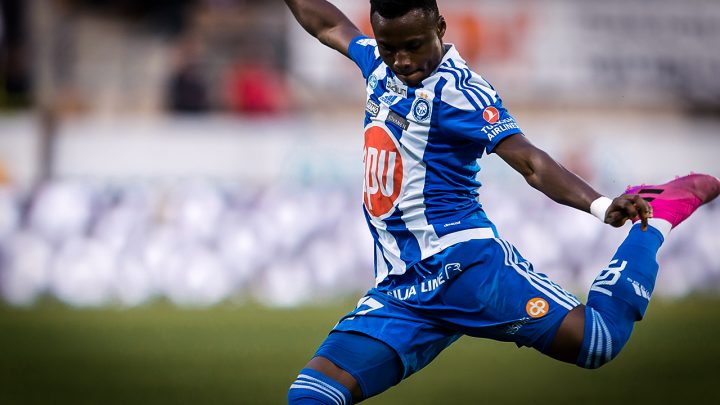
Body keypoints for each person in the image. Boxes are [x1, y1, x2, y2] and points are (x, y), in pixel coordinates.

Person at [283, 1, 720, 403]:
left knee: (597, 341)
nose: (402, 62)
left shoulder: (462, 92)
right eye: (389, 47)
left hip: (467, 267)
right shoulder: (380, 64)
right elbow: (325, 22)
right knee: (310, 396)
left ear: (440, 27)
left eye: (414, 46)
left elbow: (530, 161)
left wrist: (602, 205)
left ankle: (658, 216)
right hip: (400, 289)